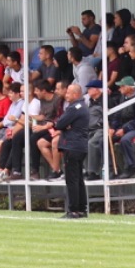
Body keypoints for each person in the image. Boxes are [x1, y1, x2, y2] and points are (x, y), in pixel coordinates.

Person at [53, 83, 90, 218]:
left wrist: (65, 125)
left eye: (68, 93)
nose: (66, 95)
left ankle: (73, 210)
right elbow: (63, 124)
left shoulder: (74, 108)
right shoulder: (83, 107)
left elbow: (59, 124)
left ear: (75, 94)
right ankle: (82, 209)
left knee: (72, 179)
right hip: (80, 147)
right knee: (79, 179)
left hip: (72, 146)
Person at [110, 76, 135, 180]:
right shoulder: (123, 97)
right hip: (124, 127)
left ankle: (131, 167)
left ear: (130, 87)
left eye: (122, 86)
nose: (119, 89)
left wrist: (124, 129)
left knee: (125, 139)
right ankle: (113, 169)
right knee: (105, 140)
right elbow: (117, 115)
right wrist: (112, 128)